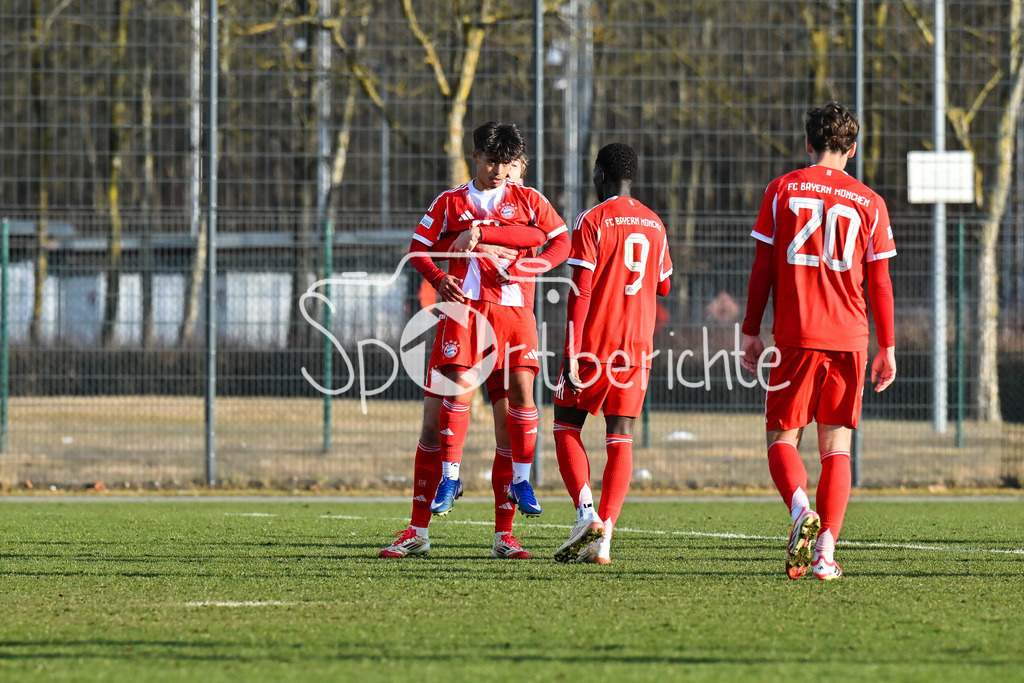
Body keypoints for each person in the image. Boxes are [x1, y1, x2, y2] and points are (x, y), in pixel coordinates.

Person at [740, 101, 897, 581]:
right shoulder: (869, 201)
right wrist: (887, 345)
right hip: (850, 337)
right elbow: (881, 282)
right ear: (851, 149)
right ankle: (825, 552)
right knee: (837, 448)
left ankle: (799, 510)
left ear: (808, 143)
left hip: (797, 335)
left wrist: (750, 328)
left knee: (782, 438)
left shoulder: (782, 189)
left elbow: (762, 268)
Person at [380, 157, 550, 559]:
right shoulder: (457, 202)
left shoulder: (528, 208)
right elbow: (428, 247)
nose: (507, 174)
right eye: (501, 164)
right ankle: (418, 529)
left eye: (515, 167)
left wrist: (483, 236)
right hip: (465, 320)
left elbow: (539, 237)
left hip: (509, 321)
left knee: (507, 428)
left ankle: (504, 535)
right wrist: (447, 266)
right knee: (432, 425)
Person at [410, 121, 569, 520]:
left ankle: (521, 480)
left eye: (507, 163)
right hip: (467, 312)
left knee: (521, 394)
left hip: (515, 312)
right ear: (476, 157)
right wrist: (441, 278)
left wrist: (529, 265)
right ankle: (450, 476)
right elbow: (418, 250)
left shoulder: (528, 199)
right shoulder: (450, 201)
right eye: (493, 162)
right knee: (458, 393)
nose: (500, 171)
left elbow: (559, 241)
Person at [551, 142, 673, 564]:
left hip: (594, 346)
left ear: (600, 175)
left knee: (566, 427)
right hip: (636, 349)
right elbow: (665, 286)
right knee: (620, 440)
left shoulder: (592, 219)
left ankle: (586, 513)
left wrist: (570, 349)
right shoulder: (655, 223)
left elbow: (581, 289)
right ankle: (604, 540)